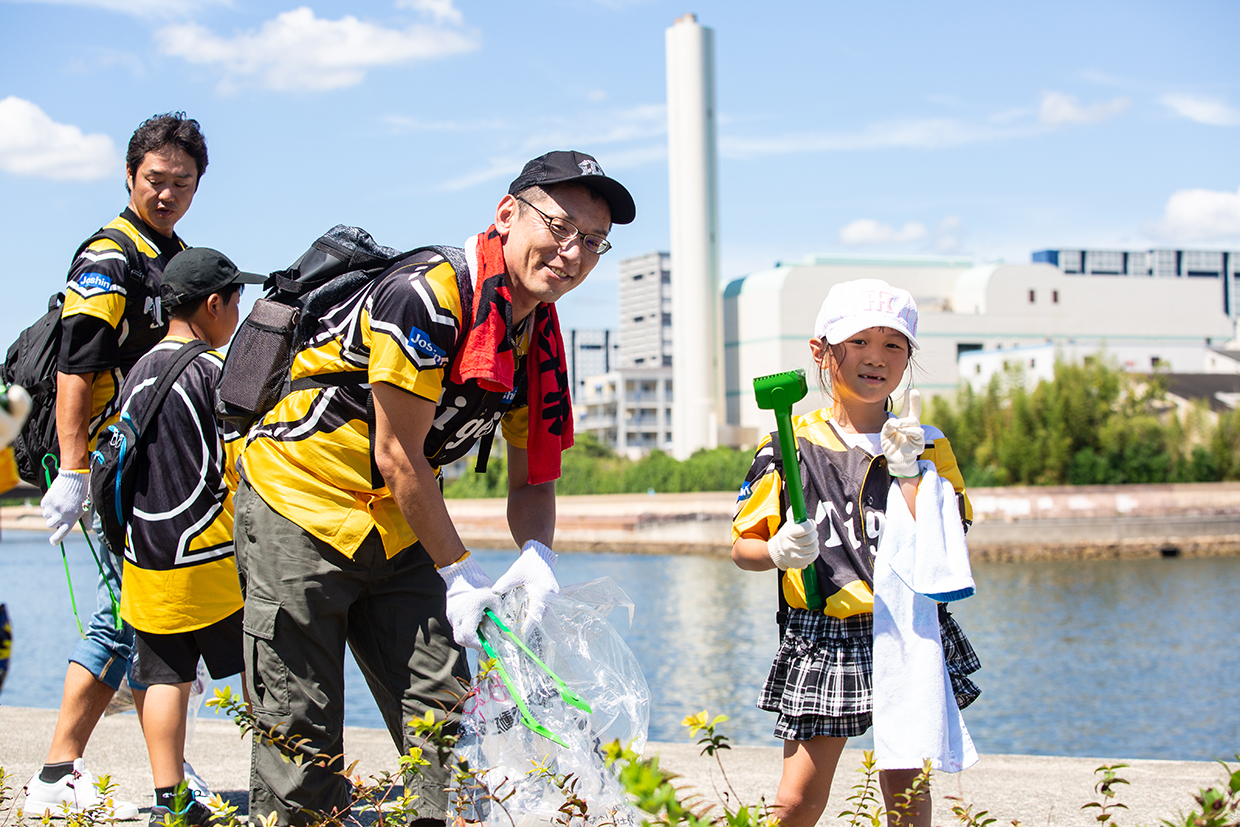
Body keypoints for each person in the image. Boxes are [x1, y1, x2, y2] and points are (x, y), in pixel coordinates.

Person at [234, 150, 635, 826]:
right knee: (300, 741)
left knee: (449, 722)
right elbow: (397, 452)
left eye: (592, 241)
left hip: (397, 520)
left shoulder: (538, 333)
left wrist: (539, 557)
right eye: (559, 225)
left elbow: (533, 472)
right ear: (508, 214)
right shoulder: (428, 295)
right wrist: (459, 569)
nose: (571, 252)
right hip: (299, 504)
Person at [731, 279, 981, 827]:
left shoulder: (928, 442)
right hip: (826, 633)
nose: (877, 358)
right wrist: (775, 551)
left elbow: (948, 541)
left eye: (893, 344)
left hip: (909, 626)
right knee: (796, 800)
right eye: (859, 342)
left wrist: (912, 471)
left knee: (909, 799)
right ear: (821, 351)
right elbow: (740, 548)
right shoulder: (789, 443)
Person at [25, 112, 208, 821]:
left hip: (150, 464)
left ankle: (66, 769)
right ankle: (69, 769)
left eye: (181, 183)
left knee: (135, 614)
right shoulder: (112, 253)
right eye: (155, 181)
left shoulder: (173, 250)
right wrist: (73, 471)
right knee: (138, 616)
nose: (167, 194)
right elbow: (79, 362)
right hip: (111, 463)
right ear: (130, 176)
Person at [117, 248, 262, 826]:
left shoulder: (139, 370)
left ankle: (169, 802)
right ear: (212, 304)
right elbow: (236, 465)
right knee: (263, 669)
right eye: (235, 300)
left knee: (162, 679)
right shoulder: (210, 371)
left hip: (146, 557)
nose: (238, 313)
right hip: (209, 558)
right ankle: (278, 782)